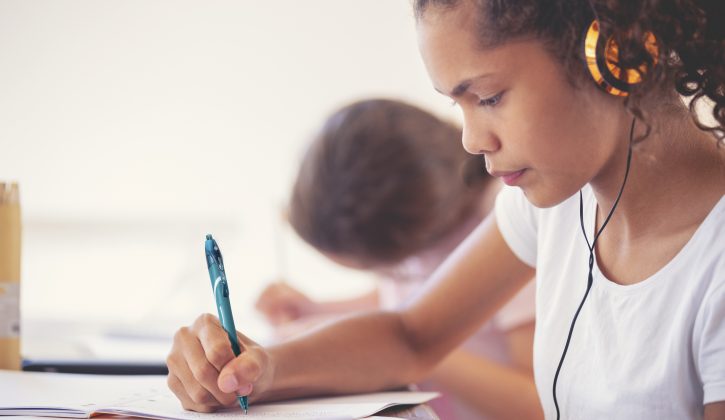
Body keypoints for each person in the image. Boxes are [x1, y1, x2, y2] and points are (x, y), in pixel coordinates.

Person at [165, 0, 725, 418]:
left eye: (488, 98)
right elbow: (411, 338)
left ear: (616, 54)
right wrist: (262, 370)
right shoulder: (557, 205)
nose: (471, 140)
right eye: (458, 106)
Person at [253, 98, 539, 419]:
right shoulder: (426, 231)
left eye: (384, 269)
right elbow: (408, 300)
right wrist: (321, 311)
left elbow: (537, 402)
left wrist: (413, 351)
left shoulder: (509, 222)